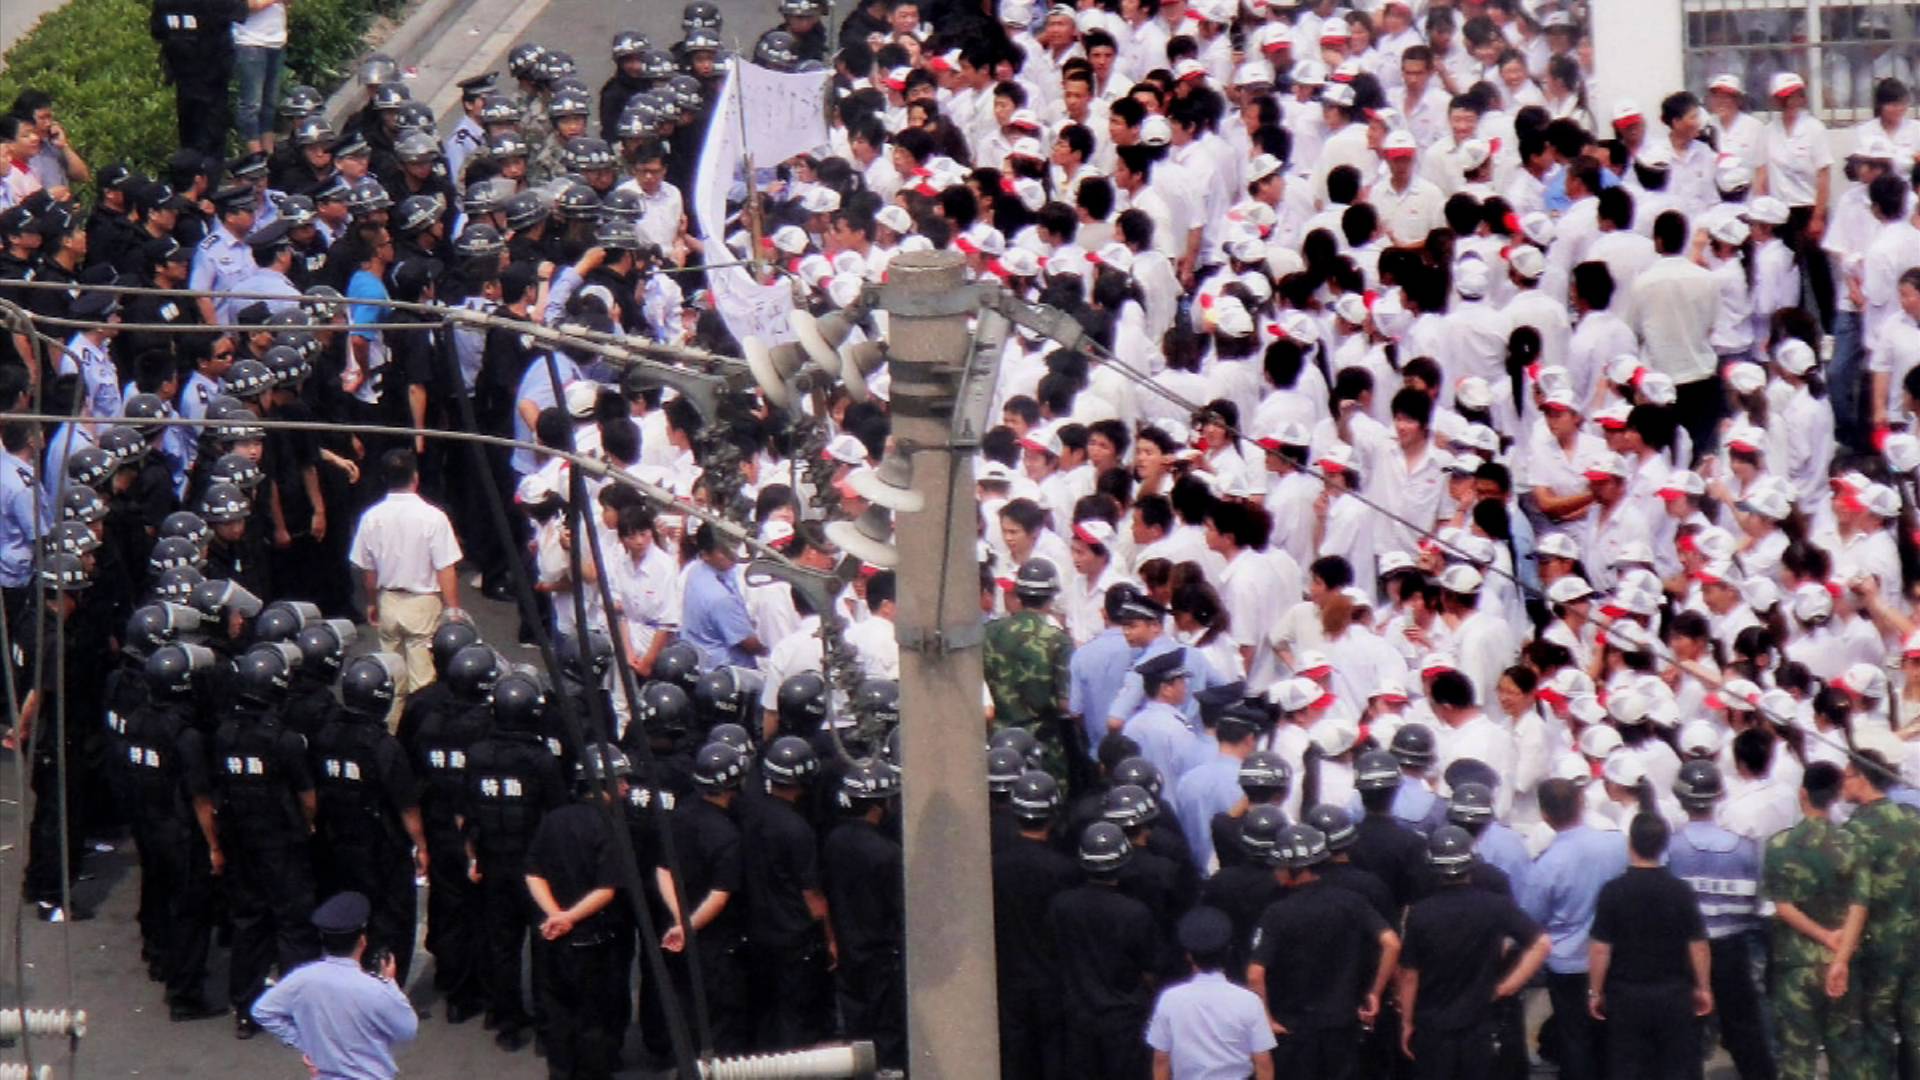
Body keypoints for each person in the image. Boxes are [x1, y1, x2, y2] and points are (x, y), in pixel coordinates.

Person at [1247, 823, 1401, 1079]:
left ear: (1292, 869)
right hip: (1342, 1024)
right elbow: (1391, 943)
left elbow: (1255, 974)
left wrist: (1265, 1020)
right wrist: (1375, 992)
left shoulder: (1276, 913)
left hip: (1294, 1029)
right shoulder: (1352, 902)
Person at [1398, 825, 1550, 1079]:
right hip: (1481, 1021)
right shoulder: (1495, 906)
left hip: (1433, 1026)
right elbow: (1541, 944)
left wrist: (1406, 1022)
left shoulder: (1421, 914)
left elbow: (1409, 975)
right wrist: (1508, 986)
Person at [524, 743, 630, 1080]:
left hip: (553, 941)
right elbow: (606, 889)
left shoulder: (554, 819)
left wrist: (555, 915)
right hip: (593, 943)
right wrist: (568, 918)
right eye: (621, 780)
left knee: (558, 1017)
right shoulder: (611, 828)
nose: (627, 787)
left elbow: (533, 873)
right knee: (594, 1022)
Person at [1587, 812, 1713, 1080]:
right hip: (1674, 992)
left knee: (1628, 1066)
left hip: (1626, 994)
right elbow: (1698, 945)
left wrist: (1595, 992)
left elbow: (1600, 948)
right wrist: (1703, 987)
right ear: (1664, 845)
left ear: (1630, 844)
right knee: (1676, 1066)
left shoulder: (1613, 891)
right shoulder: (1680, 891)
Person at [1764, 761, 1867, 1079]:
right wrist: (1840, 955)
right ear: (1836, 795)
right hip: (1842, 963)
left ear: (1803, 794)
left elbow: (1782, 906)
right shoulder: (1852, 843)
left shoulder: (1780, 845)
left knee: (1798, 1058)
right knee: (1846, 1056)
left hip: (1795, 965)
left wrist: (1823, 936)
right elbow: (1858, 905)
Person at [1521, 777, 1627, 1080]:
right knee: (1612, 1034)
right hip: (1613, 958)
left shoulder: (1546, 865)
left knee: (1575, 1039)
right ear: (1581, 803)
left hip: (1569, 964)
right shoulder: (1616, 843)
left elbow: (1531, 917)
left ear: (1544, 815)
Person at [251, 891, 420, 1080]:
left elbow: (262, 1010)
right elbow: (407, 1030)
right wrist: (391, 984)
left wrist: (306, 1044)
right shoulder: (375, 989)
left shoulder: (302, 978)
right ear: (362, 941)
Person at [347, 449, 463, 700]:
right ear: (415, 477)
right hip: (423, 604)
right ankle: (418, 732)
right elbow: (445, 568)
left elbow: (369, 571)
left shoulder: (370, 518)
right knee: (423, 682)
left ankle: (391, 731)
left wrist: (371, 603)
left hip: (388, 600)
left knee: (390, 678)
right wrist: (453, 609)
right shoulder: (434, 517)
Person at [1146, 906, 1277, 1080]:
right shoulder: (1249, 1001)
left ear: (1189, 956)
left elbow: (1161, 1060)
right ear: (1228, 952)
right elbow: (1263, 1063)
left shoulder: (1170, 999)